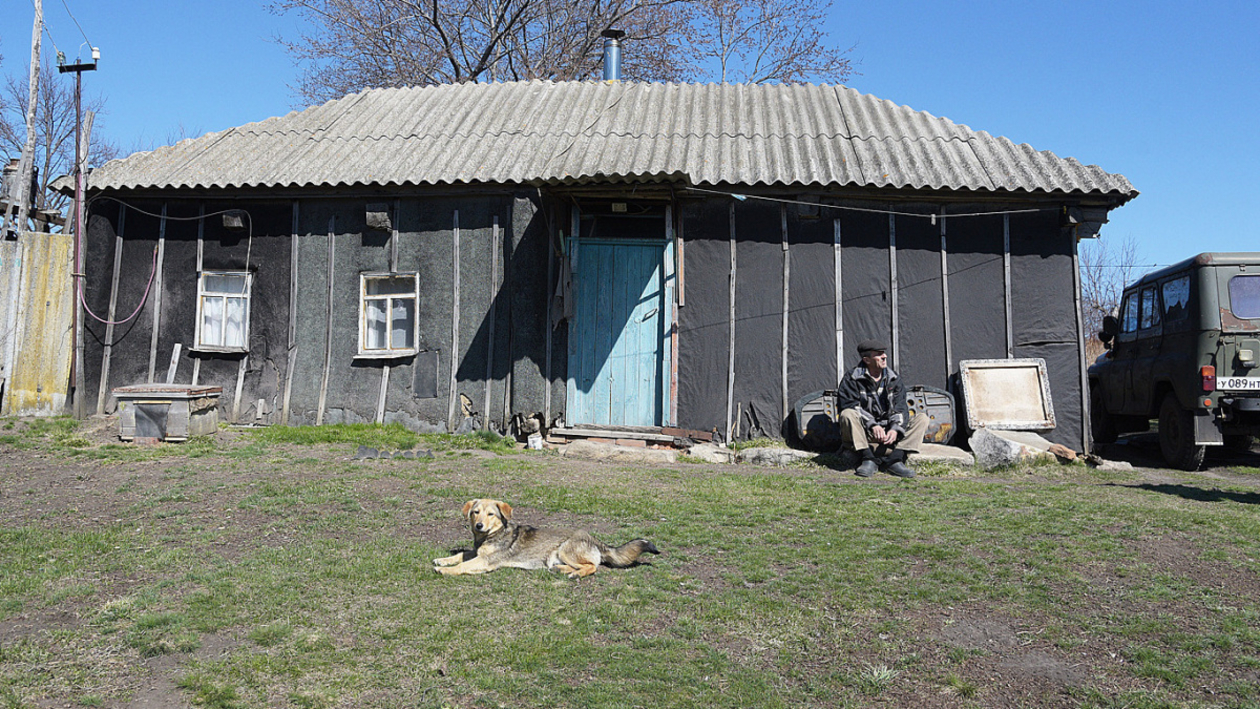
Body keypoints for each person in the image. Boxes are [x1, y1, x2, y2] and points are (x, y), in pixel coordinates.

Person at [837, 339, 930, 478]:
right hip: (864, 432)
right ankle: (868, 458)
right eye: (879, 354)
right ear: (867, 360)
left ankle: (895, 460)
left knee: (922, 419)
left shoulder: (893, 379)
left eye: (884, 353)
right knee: (847, 414)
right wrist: (872, 425)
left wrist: (895, 429)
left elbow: (900, 407)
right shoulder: (851, 379)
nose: (884, 357)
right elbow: (849, 405)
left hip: (888, 433)